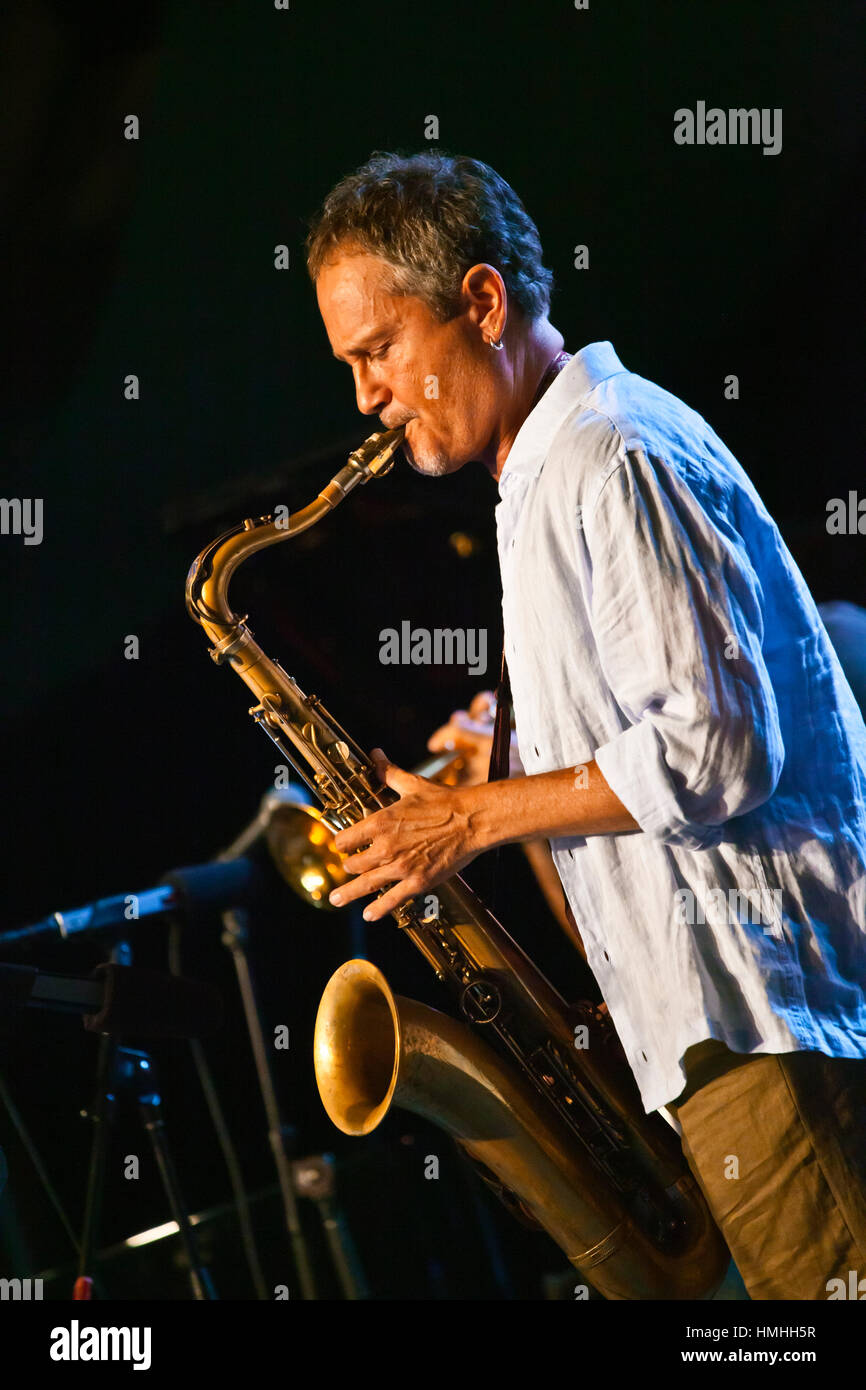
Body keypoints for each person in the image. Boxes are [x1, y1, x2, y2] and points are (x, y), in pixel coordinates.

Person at [304, 150, 866, 1300]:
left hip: (765, 1026)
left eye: (378, 351)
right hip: (717, 1033)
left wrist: (471, 817)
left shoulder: (608, 454)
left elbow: (719, 750)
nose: (363, 394)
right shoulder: (545, 473)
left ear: (481, 301)